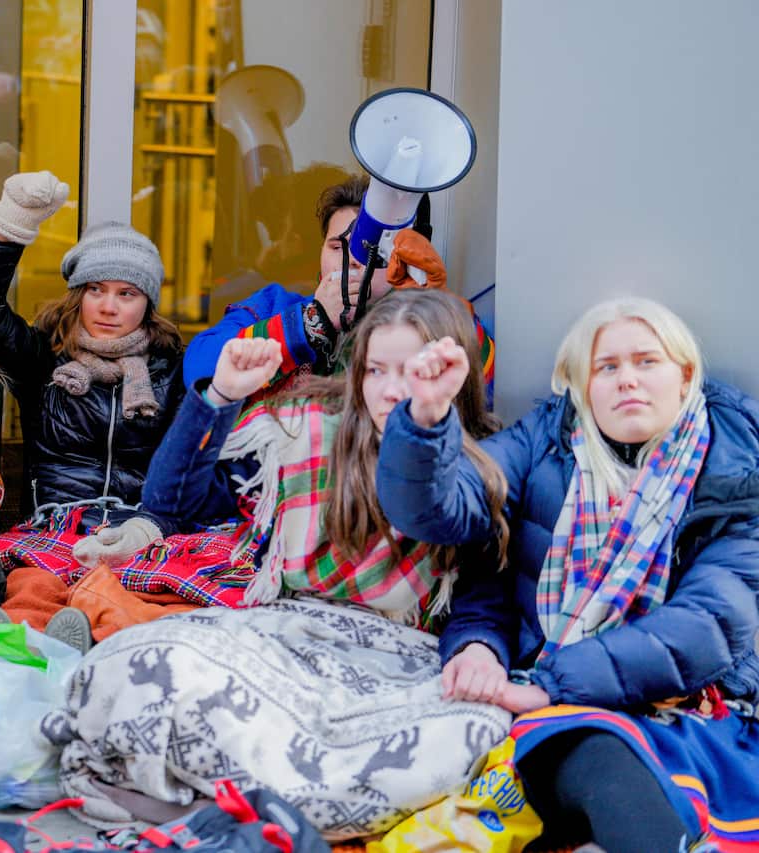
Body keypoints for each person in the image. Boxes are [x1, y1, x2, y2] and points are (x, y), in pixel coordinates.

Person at [44, 290, 511, 838]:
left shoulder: (485, 464)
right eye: (375, 369)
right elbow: (171, 503)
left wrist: (480, 648)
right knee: (132, 663)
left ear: (452, 375)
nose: (389, 390)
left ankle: (209, 803)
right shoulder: (301, 427)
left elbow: (485, 595)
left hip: (396, 662)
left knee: (478, 732)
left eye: (411, 371)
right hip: (278, 636)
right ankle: (247, 807)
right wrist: (219, 398)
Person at [377, 296, 759, 852]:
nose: (627, 380)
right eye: (607, 367)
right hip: (565, 711)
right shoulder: (544, 443)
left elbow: (710, 625)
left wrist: (553, 687)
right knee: (571, 748)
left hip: (694, 705)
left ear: (684, 376)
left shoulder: (736, 469)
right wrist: (427, 421)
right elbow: (437, 514)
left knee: (590, 748)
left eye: (646, 362)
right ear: (582, 387)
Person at [0, 171, 185, 565]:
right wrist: (9, 227)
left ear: (147, 302)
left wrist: (149, 528)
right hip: (54, 530)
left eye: (126, 293)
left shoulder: (171, 369)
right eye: (96, 289)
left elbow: (187, 472)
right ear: (79, 294)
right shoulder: (44, 358)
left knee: (141, 604)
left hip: (139, 535)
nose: (109, 307)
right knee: (31, 592)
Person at [180, 175, 494, 397]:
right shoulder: (274, 305)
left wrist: (435, 311)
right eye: (337, 247)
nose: (354, 261)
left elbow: (485, 390)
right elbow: (199, 369)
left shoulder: (432, 318)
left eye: (372, 251)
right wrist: (309, 322)